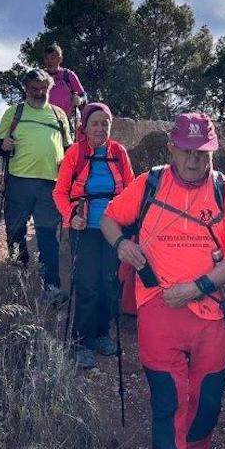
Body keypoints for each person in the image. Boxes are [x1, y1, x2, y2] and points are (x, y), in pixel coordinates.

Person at [100, 113, 225, 449]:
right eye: (186, 152)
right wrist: (122, 245)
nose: (194, 161)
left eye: (202, 153)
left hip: (211, 313)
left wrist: (199, 286)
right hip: (159, 311)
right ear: (171, 148)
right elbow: (110, 219)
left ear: (213, 152)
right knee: (170, 406)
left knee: (207, 402)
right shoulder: (149, 184)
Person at [52, 102, 136, 368]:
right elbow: (59, 192)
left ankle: (102, 334)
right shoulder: (75, 153)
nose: (100, 128)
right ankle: (82, 343)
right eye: (95, 123)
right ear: (85, 127)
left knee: (109, 283)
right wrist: (70, 216)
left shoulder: (118, 152)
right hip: (84, 228)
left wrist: (130, 221)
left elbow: (131, 190)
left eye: (105, 123)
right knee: (87, 285)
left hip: (114, 229)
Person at [0, 69, 73, 303]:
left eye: (43, 89)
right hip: (19, 182)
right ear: (26, 89)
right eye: (33, 89)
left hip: (51, 185)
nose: (38, 93)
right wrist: (4, 145)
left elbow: (68, 149)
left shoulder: (59, 115)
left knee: (47, 235)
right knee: (16, 231)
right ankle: (19, 279)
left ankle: (52, 287)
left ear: (49, 89)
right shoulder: (14, 112)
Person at [43, 43, 85, 127]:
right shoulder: (40, 76)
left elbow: (84, 96)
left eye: (52, 58)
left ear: (60, 59)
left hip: (68, 121)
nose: (49, 62)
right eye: (46, 58)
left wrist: (79, 100)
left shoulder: (68, 75)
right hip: (45, 121)